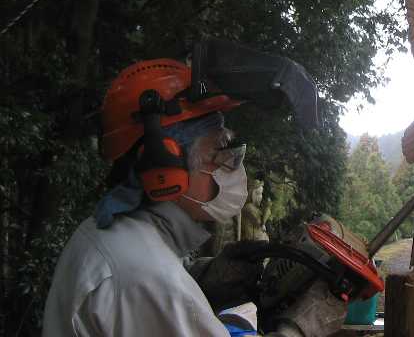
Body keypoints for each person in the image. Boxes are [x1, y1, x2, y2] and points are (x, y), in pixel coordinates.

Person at [42, 58, 260, 336]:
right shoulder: (144, 274)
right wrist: (298, 326)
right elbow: (156, 285)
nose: (232, 165)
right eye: (219, 151)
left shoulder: (118, 237)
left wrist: (206, 275)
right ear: (165, 166)